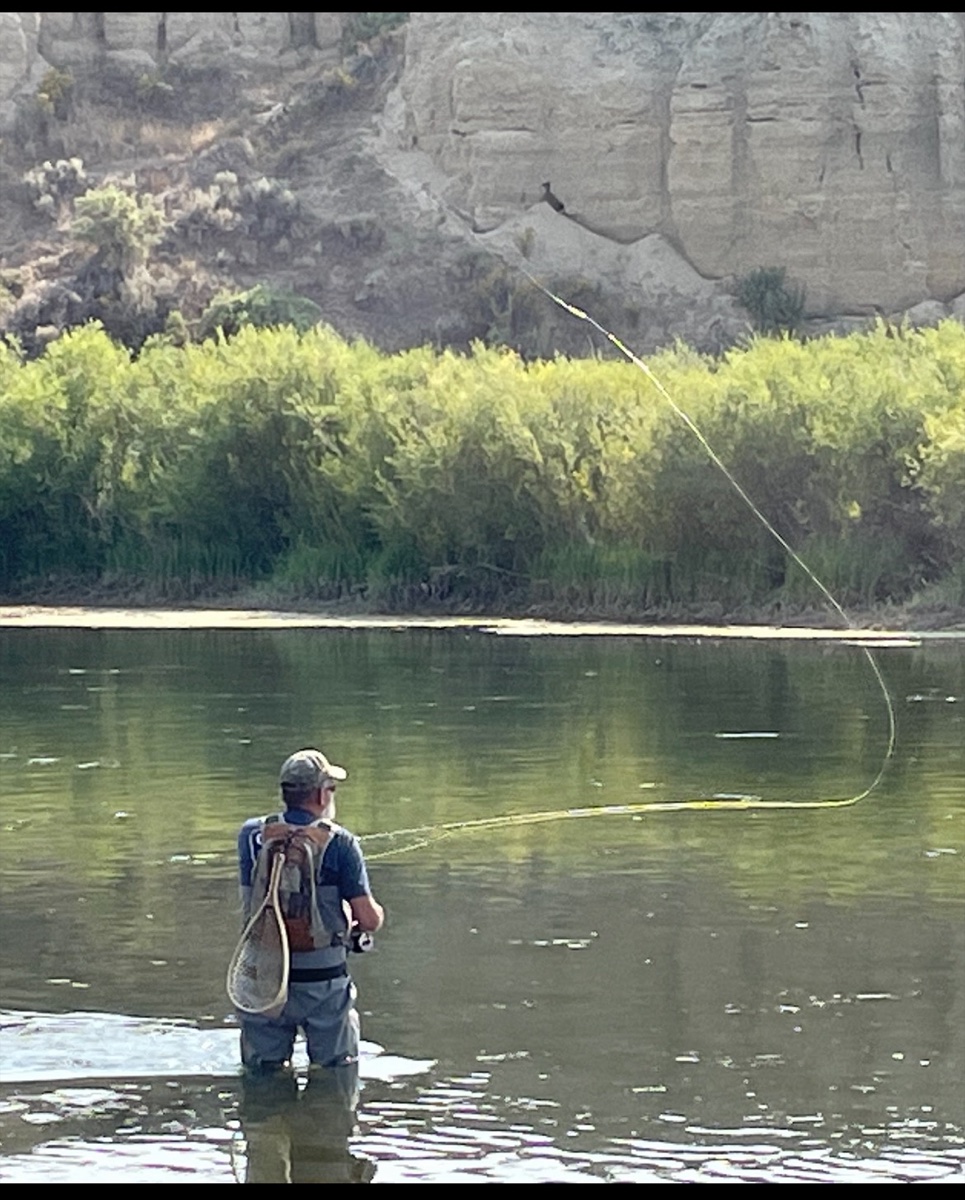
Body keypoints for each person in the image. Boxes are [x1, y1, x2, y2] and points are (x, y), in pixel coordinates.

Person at [236, 747, 384, 1074]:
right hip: (324, 985)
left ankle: (266, 1122)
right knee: (336, 1074)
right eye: (331, 788)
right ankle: (326, 1121)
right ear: (320, 794)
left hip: (264, 979)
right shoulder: (342, 843)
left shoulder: (250, 835)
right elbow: (369, 919)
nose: (332, 795)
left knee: (262, 1076)